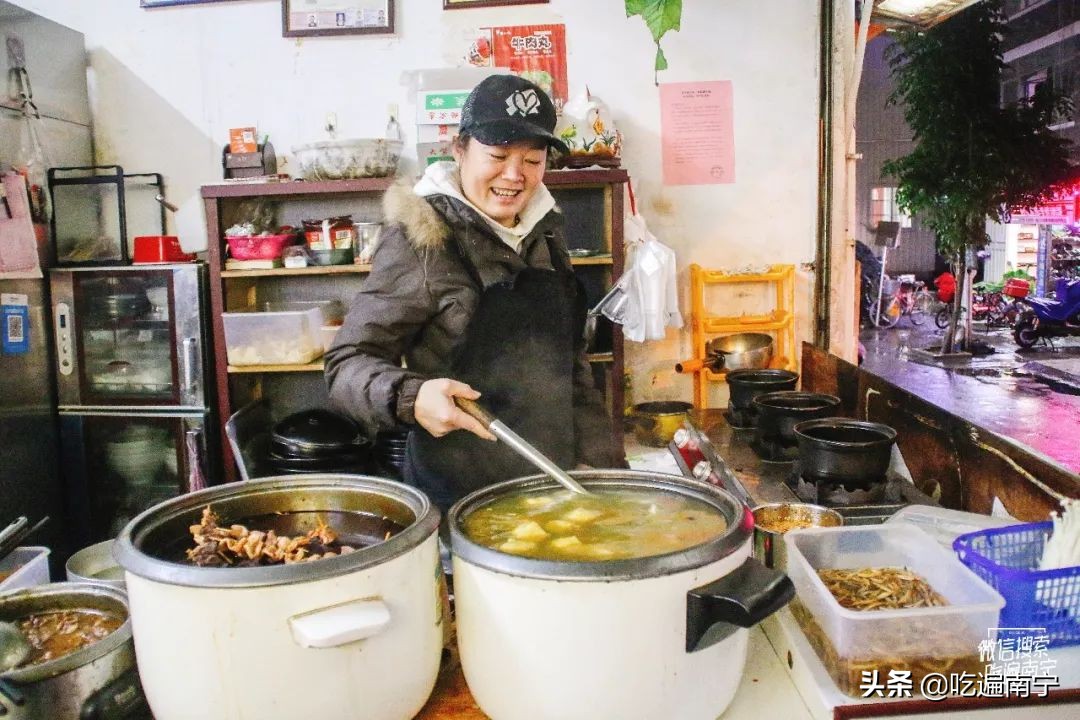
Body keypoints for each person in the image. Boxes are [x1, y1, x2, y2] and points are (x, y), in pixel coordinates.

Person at [325, 74, 617, 510]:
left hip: (552, 485)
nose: (515, 176)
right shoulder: (422, 239)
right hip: (462, 495)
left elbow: (570, 368)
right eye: (497, 155)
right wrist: (412, 396)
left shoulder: (545, 229)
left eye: (533, 160)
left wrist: (609, 473)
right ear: (459, 150)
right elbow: (345, 364)